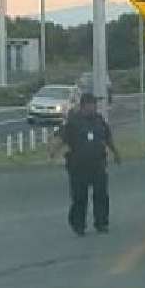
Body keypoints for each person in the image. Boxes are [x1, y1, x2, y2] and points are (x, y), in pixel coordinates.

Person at [61, 93, 120, 236]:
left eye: (94, 105)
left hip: (98, 164)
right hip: (78, 166)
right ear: (83, 106)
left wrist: (116, 153)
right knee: (79, 197)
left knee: (101, 195)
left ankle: (101, 223)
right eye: (90, 105)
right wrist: (53, 153)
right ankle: (78, 225)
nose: (93, 108)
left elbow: (107, 137)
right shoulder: (73, 122)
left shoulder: (99, 121)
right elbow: (62, 139)